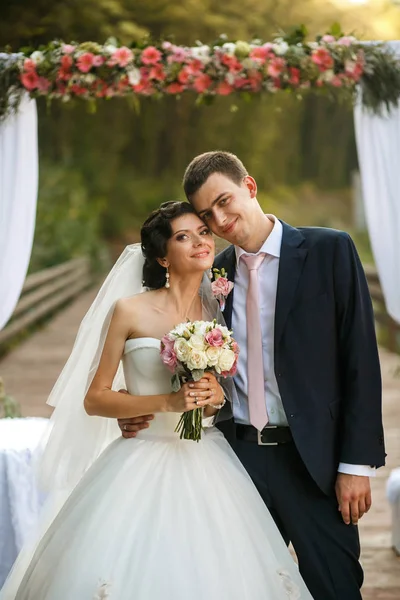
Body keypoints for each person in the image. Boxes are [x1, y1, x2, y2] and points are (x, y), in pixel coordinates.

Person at [1, 201, 312, 600]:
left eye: (203, 233)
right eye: (184, 237)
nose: (201, 242)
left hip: (206, 458)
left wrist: (215, 396)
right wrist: (165, 403)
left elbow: (221, 393)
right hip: (140, 458)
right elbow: (95, 398)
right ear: (163, 257)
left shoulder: (219, 309)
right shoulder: (129, 310)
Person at [120, 151, 386, 600]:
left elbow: (360, 361)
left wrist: (355, 465)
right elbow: (175, 343)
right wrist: (140, 402)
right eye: (207, 215)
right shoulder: (212, 271)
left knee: (337, 587)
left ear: (251, 187)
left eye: (225, 201)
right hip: (234, 461)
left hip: (315, 462)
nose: (220, 220)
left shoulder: (330, 250)